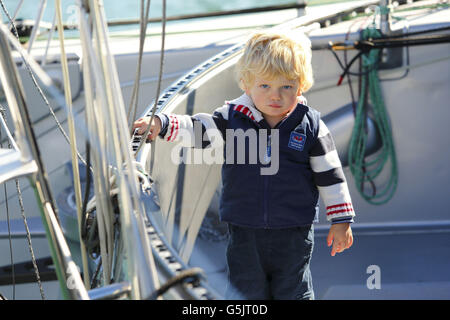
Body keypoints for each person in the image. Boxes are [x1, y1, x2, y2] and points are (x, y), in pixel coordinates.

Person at [133, 31, 355, 300]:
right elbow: (199, 129)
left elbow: (330, 175)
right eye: (265, 86)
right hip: (244, 228)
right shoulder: (233, 118)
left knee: (293, 288)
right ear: (247, 85)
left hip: (294, 230)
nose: (275, 96)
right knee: (245, 288)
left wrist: (340, 219)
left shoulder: (310, 126)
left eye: (286, 86)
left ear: (301, 85)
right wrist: (163, 124)